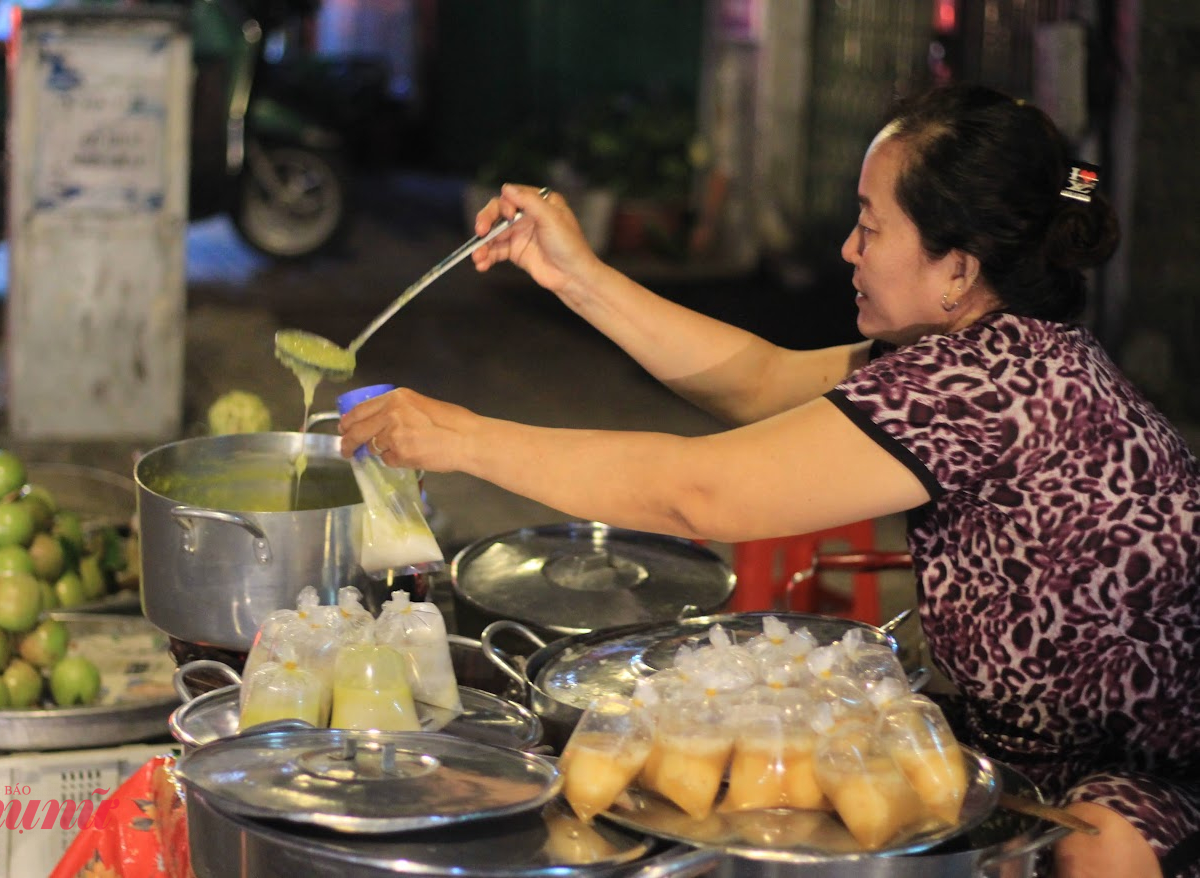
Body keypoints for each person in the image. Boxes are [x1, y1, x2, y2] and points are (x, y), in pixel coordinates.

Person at [338, 83, 1200, 877]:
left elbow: (701, 496)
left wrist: (461, 437)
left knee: (1097, 851)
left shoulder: (988, 384)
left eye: (870, 226)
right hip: (1012, 742)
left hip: (1136, 776)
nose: (846, 247)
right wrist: (575, 275)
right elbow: (756, 379)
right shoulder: (982, 350)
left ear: (958, 268)